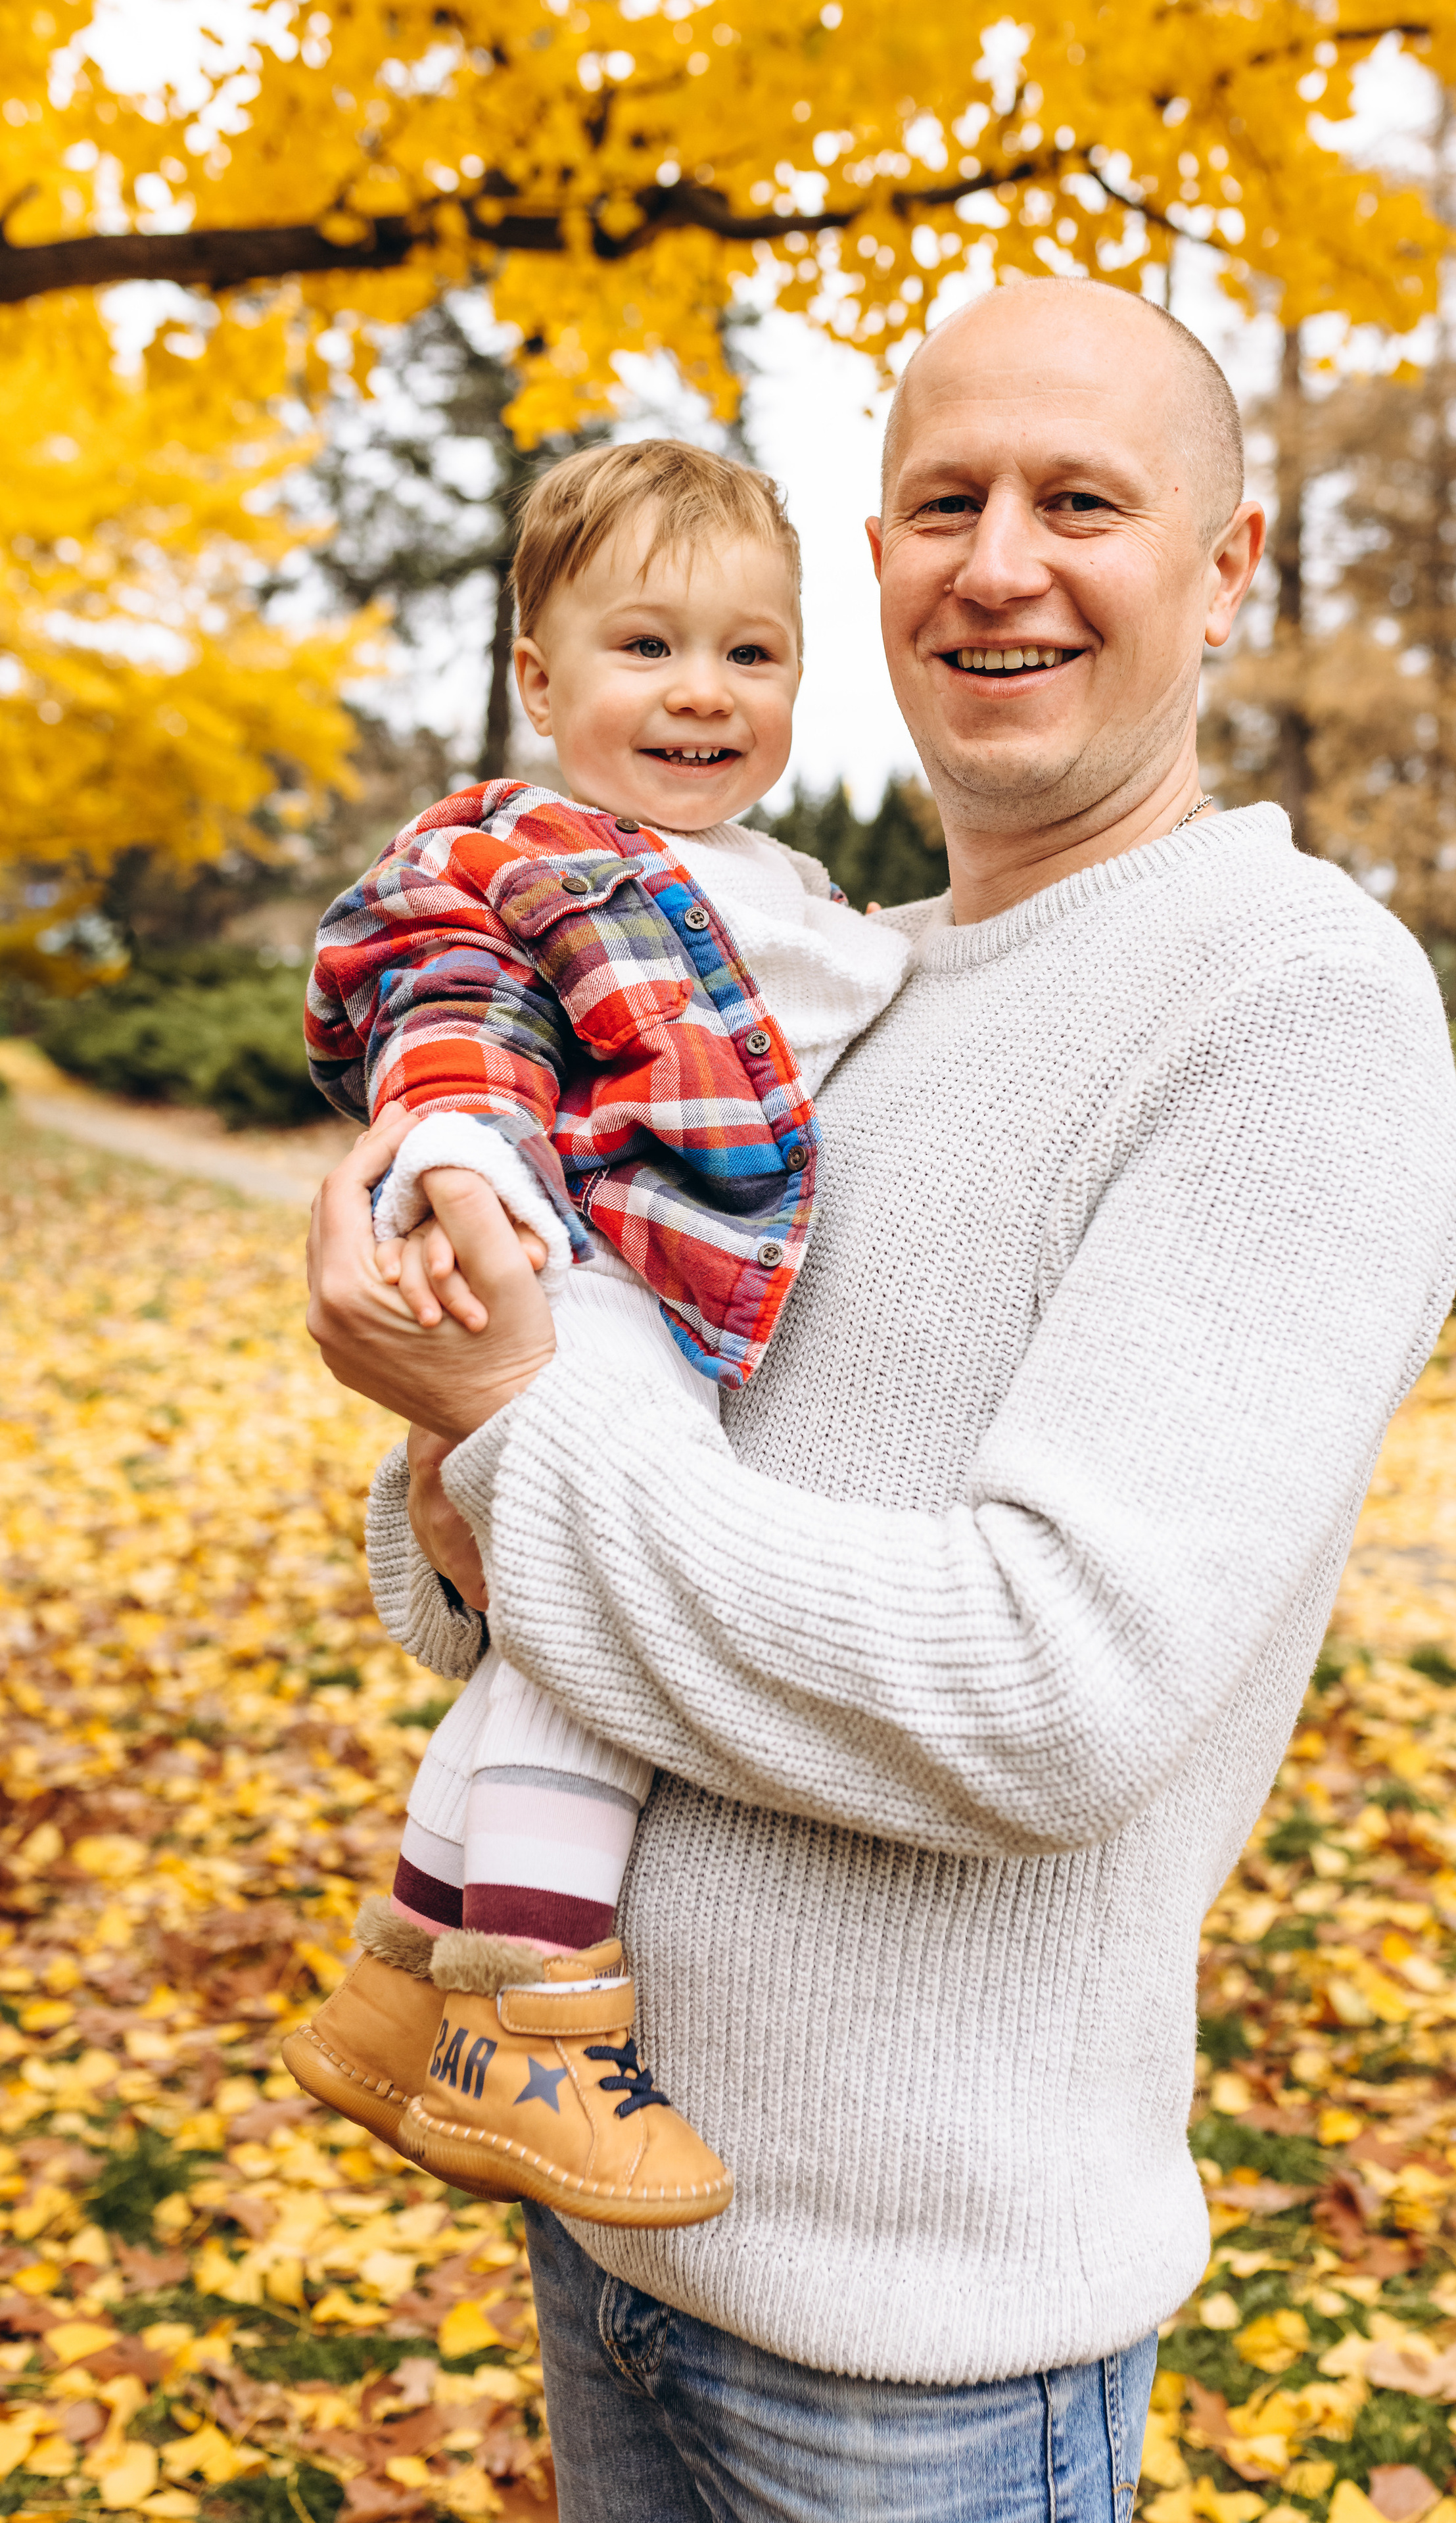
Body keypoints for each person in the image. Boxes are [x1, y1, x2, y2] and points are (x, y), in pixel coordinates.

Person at [306, 277, 1456, 2521]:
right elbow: (509, 1576)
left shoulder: (1293, 1005)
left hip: (913, 2364)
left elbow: (1047, 1692)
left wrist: (517, 1432)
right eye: (944, 500)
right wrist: (453, 1434)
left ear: (1228, 571)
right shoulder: (830, 987)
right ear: (875, 567)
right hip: (611, 2207)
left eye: (1082, 501)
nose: (999, 561)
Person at [285, 439, 909, 2226]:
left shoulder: (778, 888)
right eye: (647, 648)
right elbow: (452, 1005)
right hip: (576, 1266)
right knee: (598, 1623)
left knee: (542, 1635)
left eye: (752, 652)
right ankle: (547, 2004)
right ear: (541, 683)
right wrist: (469, 1167)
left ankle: (408, 1971)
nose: (702, 692)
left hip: (654, 1287)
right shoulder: (533, 854)